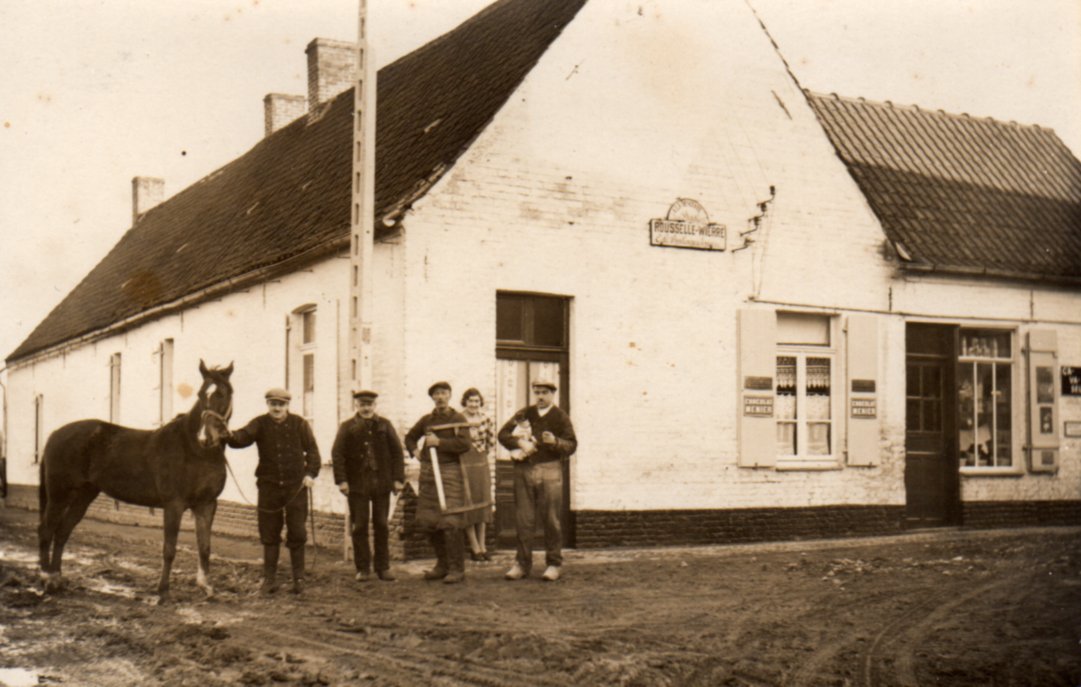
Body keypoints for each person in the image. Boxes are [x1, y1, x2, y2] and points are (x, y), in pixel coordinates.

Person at [226, 388, 320, 594]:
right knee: (269, 532)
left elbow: (313, 451)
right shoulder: (259, 423)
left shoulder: (299, 424)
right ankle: (270, 579)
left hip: (296, 487)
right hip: (268, 487)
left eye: (281, 404)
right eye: (273, 404)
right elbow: (240, 439)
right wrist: (225, 433)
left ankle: (299, 579)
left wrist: (310, 474)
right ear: (267, 405)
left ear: (287, 405)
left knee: (297, 531)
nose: (277, 408)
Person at [497, 380, 576, 582]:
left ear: (552, 394)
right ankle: (522, 564)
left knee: (551, 519)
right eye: (537, 392)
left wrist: (556, 442)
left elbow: (571, 445)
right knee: (524, 519)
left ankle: (553, 564)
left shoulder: (560, 416)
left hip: (550, 469)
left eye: (544, 393)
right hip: (524, 469)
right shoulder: (524, 413)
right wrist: (519, 442)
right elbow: (503, 434)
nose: (540, 396)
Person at [332, 390, 405, 583]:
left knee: (381, 524)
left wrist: (398, 479)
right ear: (356, 405)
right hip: (357, 484)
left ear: (375, 406)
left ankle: (383, 567)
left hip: (381, 483)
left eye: (369, 404)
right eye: (362, 404)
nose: (366, 408)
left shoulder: (385, 425)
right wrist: (342, 480)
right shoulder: (347, 427)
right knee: (360, 526)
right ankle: (363, 568)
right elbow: (337, 454)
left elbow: (397, 453)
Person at [404, 381, 474, 584]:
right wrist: (417, 453)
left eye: (443, 393)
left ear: (450, 395)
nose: (440, 397)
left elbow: (464, 444)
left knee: (451, 522)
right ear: (432, 398)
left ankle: (456, 569)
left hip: (450, 473)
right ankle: (442, 565)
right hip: (428, 475)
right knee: (429, 522)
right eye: (436, 394)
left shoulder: (458, 418)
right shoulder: (427, 420)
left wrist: (440, 443)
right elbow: (410, 437)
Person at [460, 387, 495, 562]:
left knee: (482, 503)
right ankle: (474, 547)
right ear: (465, 402)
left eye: (477, 401)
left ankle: (483, 546)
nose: (474, 404)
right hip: (464, 463)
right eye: (470, 401)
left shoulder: (486, 419)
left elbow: (490, 441)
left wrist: (480, 454)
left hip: (480, 463)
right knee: (469, 503)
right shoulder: (458, 419)